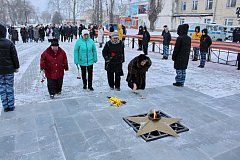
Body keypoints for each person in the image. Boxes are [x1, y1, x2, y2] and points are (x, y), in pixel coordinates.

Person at [0, 24, 20, 112]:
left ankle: (5, 106)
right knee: (9, 87)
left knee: (2, 88)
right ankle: (11, 105)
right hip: (9, 70)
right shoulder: (9, 43)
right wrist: (16, 67)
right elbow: (14, 56)